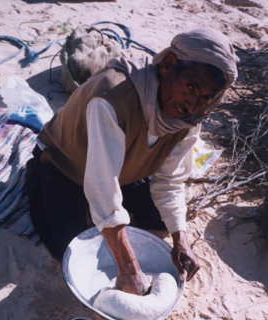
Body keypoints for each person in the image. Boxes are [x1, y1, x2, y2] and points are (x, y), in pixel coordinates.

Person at [26, 27, 238, 296]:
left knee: (162, 221)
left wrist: (180, 238)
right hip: (62, 162)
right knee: (66, 246)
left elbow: (170, 181)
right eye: (191, 87)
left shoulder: (189, 119)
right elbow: (102, 187)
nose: (193, 105)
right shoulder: (113, 95)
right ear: (168, 65)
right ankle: (35, 175)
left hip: (119, 170)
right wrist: (128, 268)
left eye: (207, 97)